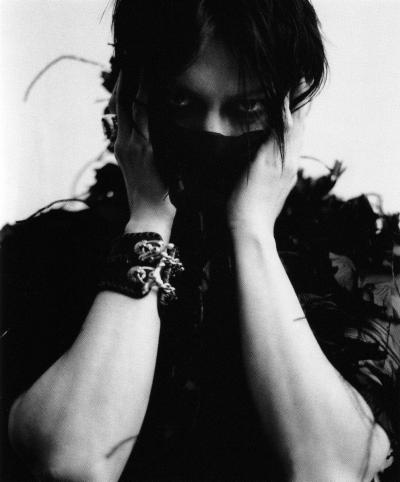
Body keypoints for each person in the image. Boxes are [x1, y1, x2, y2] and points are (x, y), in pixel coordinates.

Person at [1, 0, 399, 480]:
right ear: (131, 101)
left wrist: (252, 232)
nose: (212, 131)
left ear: (291, 110)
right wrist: (148, 220)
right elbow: (76, 461)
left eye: (246, 106)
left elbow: (329, 467)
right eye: (180, 101)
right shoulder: (39, 258)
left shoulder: (363, 258)